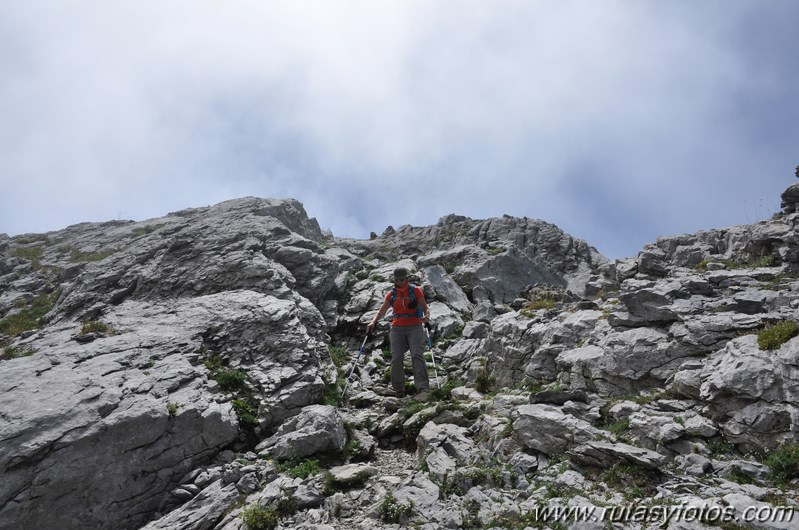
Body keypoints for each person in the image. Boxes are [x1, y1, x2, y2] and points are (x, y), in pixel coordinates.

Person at [366, 267, 431, 401]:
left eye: (402, 279)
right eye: (397, 280)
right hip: (397, 328)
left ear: (407, 278)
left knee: (417, 355)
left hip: (415, 326)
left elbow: (425, 307)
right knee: (396, 357)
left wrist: (426, 316)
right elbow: (382, 311)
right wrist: (373, 322)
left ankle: (423, 387)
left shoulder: (416, 290)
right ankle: (399, 389)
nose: (399, 282)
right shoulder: (392, 294)